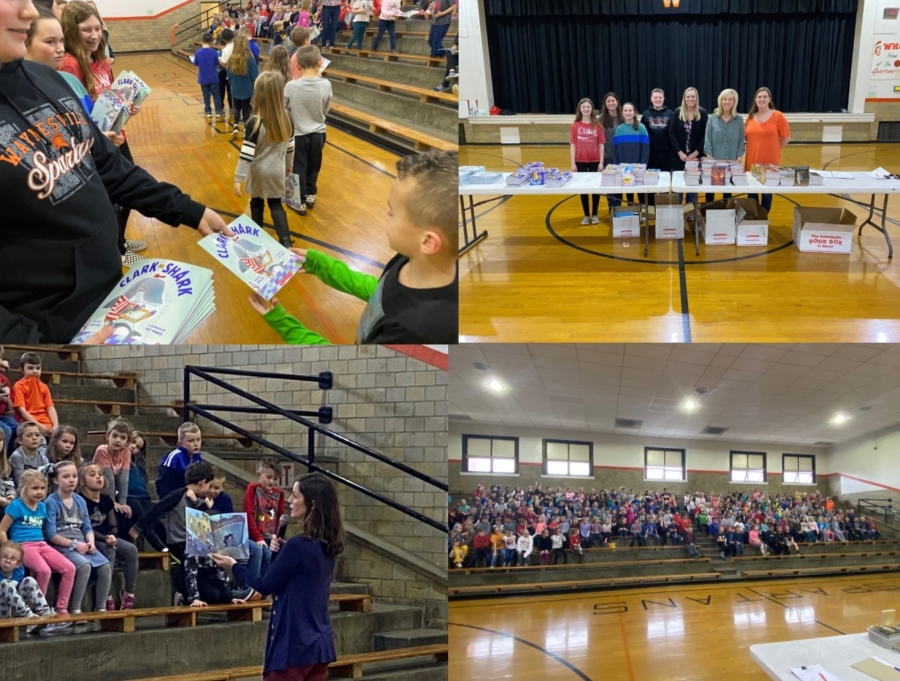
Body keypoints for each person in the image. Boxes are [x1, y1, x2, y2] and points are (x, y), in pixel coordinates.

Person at [1, 0, 234, 343]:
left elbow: (108, 165)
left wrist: (186, 209)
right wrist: (39, 353)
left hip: (108, 298)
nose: (31, 12)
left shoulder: (46, 78)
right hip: (47, 335)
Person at [250, 150, 458, 343]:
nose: (385, 217)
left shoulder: (413, 331)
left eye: (392, 212)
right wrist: (321, 264)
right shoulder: (410, 258)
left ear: (428, 242)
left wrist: (285, 325)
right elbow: (381, 293)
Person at [210, 473, 343, 680]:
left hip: (294, 644)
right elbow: (293, 576)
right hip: (319, 643)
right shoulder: (325, 544)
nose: (289, 501)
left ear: (312, 504)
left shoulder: (298, 545)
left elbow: (264, 585)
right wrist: (281, 551)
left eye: (296, 496)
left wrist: (234, 565)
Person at [0, 470, 75, 623]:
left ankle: (62, 608)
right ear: (24, 488)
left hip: (41, 543)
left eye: (42, 488)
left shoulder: (42, 507)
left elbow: (45, 530)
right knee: (43, 570)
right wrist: (8, 549)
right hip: (23, 545)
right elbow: (1, 529)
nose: (39, 492)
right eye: (35, 488)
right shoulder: (16, 506)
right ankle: (37, 610)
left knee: (70, 568)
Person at [138, 461, 215, 604]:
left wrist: (205, 505)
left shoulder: (198, 500)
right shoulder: (178, 495)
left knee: (215, 557)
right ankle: (193, 597)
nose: (209, 490)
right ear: (202, 482)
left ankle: (226, 592)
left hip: (193, 540)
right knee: (191, 557)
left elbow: (201, 520)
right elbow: (157, 509)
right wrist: (138, 527)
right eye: (209, 485)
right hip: (178, 541)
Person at [234, 71, 295, 248]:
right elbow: (291, 147)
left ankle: (257, 237)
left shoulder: (254, 121)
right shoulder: (287, 118)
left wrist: (238, 178)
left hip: (258, 172)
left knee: (256, 202)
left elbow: (246, 154)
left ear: (258, 93)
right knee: (276, 204)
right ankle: (285, 240)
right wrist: (289, 166)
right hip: (277, 170)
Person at [45, 461, 112, 616]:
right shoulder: (51, 502)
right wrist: (74, 544)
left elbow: (87, 527)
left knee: (106, 566)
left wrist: (91, 542)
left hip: (81, 542)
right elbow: (51, 535)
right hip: (63, 544)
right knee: (84, 565)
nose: (71, 480)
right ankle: (75, 608)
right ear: (56, 480)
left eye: (74, 476)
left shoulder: (80, 500)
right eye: (66, 476)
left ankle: (100, 608)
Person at [80, 463, 138, 610]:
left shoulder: (106, 500)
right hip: (91, 538)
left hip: (107, 537)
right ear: (82, 481)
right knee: (109, 550)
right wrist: (105, 539)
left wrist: (112, 535)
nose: (98, 477)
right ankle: (106, 595)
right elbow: (86, 527)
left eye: (100, 473)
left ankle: (129, 593)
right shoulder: (80, 500)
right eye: (92, 475)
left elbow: (113, 525)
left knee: (131, 550)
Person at [284, 45, 331, 215]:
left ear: (297, 66)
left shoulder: (291, 86)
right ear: (320, 63)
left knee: (297, 167)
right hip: (318, 133)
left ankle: (297, 201)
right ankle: (311, 194)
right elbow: (326, 110)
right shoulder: (326, 84)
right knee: (314, 166)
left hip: (298, 134)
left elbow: (283, 108)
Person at [744, 87, 790, 212]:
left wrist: (774, 149)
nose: (762, 99)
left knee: (767, 194)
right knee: (752, 193)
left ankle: (763, 217)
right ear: (755, 99)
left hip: (770, 164)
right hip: (751, 162)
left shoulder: (778, 116)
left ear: (769, 99)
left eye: (765, 96)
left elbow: (786, 138)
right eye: (759, 97)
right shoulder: (750, 117)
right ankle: (755, 217)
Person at [243, 457, 285, 580]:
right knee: (264, 553)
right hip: (255, 536)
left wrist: (276, 537)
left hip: (270, 537)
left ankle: (269, 588)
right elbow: (248, 514)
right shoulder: (253, 489)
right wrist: (258, 538)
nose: (272, 482)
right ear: (259, 475)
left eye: (275, 479)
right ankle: (254, 587)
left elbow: (279, 518)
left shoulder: (279, 494)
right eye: (269, 477)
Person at [0, 539, 55, 632]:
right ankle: (29, 618)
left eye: (12, 558)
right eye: (5, 557)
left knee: (29, 580)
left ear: (18, 564)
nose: (8, 560)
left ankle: (46, 614)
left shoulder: (19, 571)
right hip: (2, 612)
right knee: (5, 584)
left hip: (15, 610)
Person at [668, 87, 708, 207]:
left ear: (696, 98)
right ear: (684, 98)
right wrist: (680, 152)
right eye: (688, 96)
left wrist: (695, 153)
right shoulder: (677, 112)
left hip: (695, 159)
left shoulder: (702, 113)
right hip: (677, 158)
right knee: (677, 188)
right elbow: (671, 133)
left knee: (692, 188)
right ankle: (678, 211)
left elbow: (706, 135)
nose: (690, 99)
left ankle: (690, 212)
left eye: (693, 96)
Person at [703, 88, 745, 203]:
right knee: (710, 190)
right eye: (724, 99)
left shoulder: (739, 119)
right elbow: (708, 140)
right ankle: (708, 211)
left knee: (727, 189)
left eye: (730, 99)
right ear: (720, 101)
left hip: (732, 161)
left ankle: (725, 213)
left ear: (734, 101)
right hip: (714, 161)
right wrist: (710, 158)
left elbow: (741, 140)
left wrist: (739, 158)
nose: (727, 102)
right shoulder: (712, 119)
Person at [570, 97, 605, 225]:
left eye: (588, 107)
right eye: (583, 107)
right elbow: (573, 145)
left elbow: (601, 144)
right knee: (583, 188)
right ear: (580, 109)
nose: (586, 109)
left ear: (592, 109)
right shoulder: (575, 126)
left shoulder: (598, 125)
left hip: (595, 160)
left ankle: (595, 214)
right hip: (580, 161)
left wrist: (601, 162)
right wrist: (573, 163)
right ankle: (586, 215)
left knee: (596, 188)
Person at [92, 417, 133, 520]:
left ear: (127, 442)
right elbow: (108, 478)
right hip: (98, 491)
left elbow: (124, 478)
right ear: (107, 436)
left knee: (132, 509)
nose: (118, 440)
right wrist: (113, 503)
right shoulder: (102, 450)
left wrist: (123, 503)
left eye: (122, 438)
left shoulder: (126, 452)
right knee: (113, 511)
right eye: (114, 436)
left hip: (114, 491)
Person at [12, 352, 57, 438]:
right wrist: (38, 426)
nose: (35, 371)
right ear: (22, 370)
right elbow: (22, 411)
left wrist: (55, 425)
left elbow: (50, 408)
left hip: (46, 423)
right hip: (27, 423)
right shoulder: (19, 386)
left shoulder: (44, 387)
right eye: (30, 368)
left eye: (38, 368)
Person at [613, 103, 649, 208]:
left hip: (639, 167)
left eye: (630, 110)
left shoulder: (641, 128)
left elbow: (645, 148)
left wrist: (643, 164)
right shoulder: (619, 129)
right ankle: (631, 210)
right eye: (626, 111)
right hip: (624, 168)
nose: (628, 113)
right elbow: (616, 150)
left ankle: (643, 211)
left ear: (634, 112)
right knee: (628, 191)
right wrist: (617, 166)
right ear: (622, 113)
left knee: (641, 191)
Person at [640, 88, 673, 206]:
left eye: (660, 97)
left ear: (663, 99)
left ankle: (663, 206)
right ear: (651, 99)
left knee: (664, 182)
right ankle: (651, 207)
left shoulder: (670, 114)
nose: (658, 99)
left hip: (666, 153)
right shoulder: (645, 114)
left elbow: (673, 134)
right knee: (650, 182)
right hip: (651, 154)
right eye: (655, 97)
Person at [155, 423, 204, 500]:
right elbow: (162, 482)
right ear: (181, 443)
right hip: (174, 498)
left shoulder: (199, 459)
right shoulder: (174, 458)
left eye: (198, 440)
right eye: (191, 441)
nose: (196, 444)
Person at [227, 33, 259, 138]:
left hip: (235, 88)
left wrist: (232, 85)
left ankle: (235, 126)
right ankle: (245, 129)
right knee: (246, 109)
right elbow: (255, 76)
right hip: (247, 89)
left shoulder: (231, 59)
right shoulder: (249, 59)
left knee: (237, 108)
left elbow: (229, 76)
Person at [193, 33, 225, 119]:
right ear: (211, 42)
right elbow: (217, 63)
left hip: (203, 78)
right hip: (213, 77)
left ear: (201, 41)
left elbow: (196, 63)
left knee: (206, 95)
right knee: (216, 95)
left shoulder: (198, 52)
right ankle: (219, 111)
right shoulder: (214, 52)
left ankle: (208, 111)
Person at [9, 423, 50, 488]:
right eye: (29, 435)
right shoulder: (17, 456)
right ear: (20, 440)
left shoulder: (43, 458)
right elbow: (20, 481)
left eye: (37, 435)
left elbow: (47, 480)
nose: (34, 438)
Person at [217, 29, 236, 120]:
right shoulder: (238, 46)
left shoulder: (226, 50)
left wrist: (220, 61)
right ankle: (233, 108)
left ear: (223, 39)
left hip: (231, 73)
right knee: (232, 92)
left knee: (228, 90)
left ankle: (228, 109)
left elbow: (225, 64)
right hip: (241, 73)